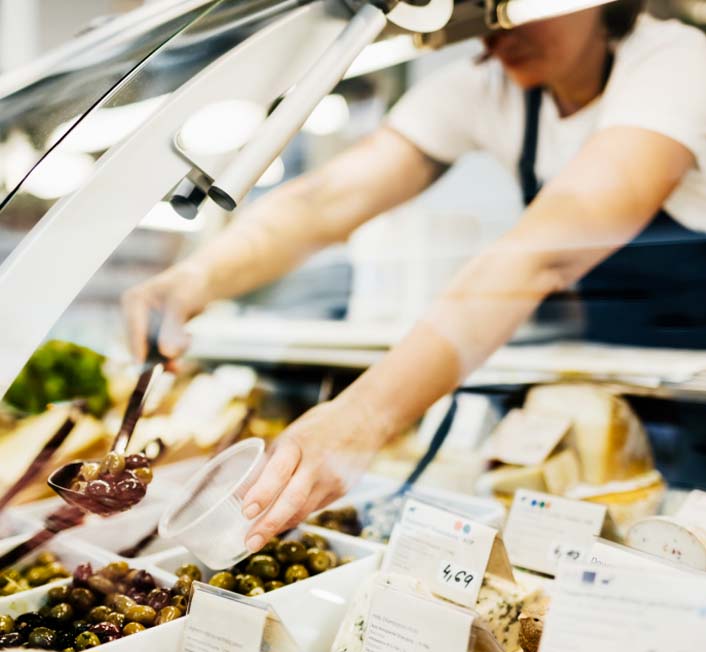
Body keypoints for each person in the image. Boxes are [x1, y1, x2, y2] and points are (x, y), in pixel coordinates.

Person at [123, 1, 706, 553]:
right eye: (479, 12)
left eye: (511, 6)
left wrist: (363, 418)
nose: (493, 32)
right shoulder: (491, 85)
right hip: (603, 399)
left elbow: (545, 252)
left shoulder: (677, 65)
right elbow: (328, 199)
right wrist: (195, 279)